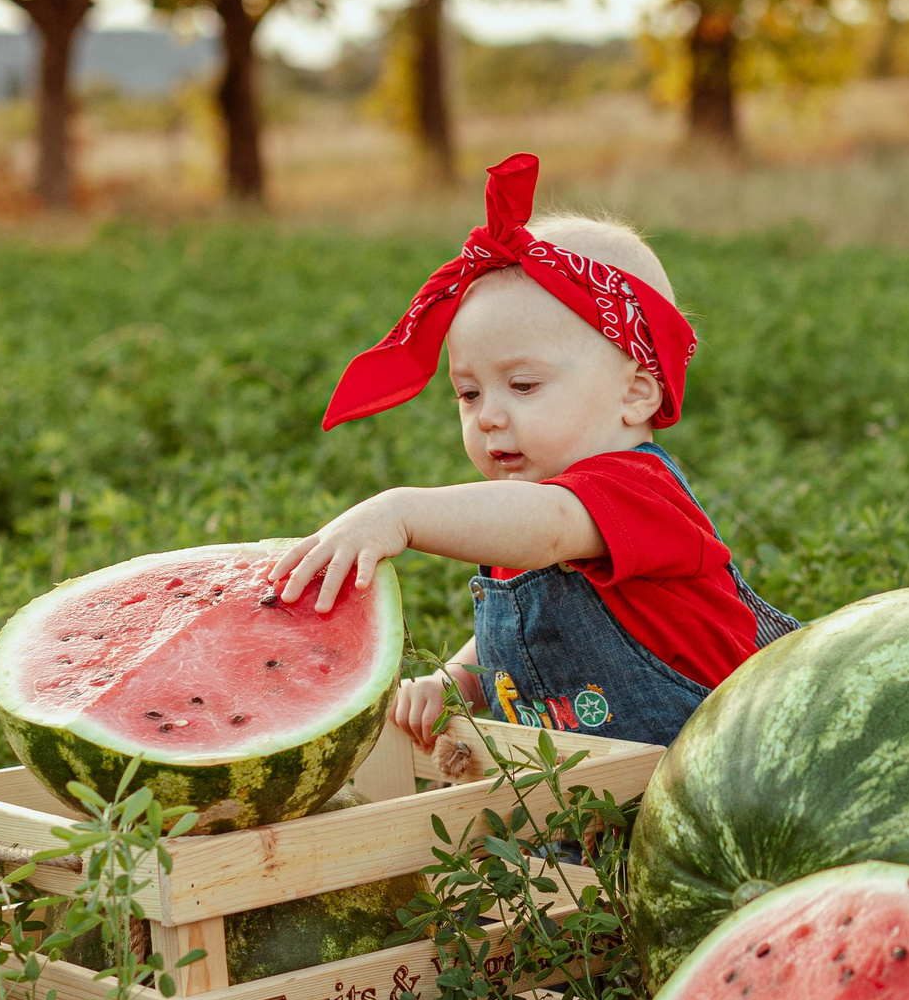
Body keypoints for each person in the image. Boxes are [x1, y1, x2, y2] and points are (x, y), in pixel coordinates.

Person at [273, 153, 795, 765]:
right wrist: (458, 678)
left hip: (707, 779)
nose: (488, 415)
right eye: (468, 393)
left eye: (523, 386)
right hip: (582, 802)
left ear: (635, 392)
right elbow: (527, 621)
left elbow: (545, 527)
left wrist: (402, 514)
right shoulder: (526, 512)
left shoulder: (636, 491)